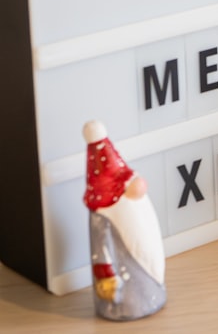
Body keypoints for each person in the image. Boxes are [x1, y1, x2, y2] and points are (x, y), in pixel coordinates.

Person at [82, 120, 166, 320]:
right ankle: (135, 304)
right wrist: (107, 280)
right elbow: (101, 252)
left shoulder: (136, 207)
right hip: (125, 290)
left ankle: (152, 294)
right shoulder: (104, 216)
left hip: (150, 277)